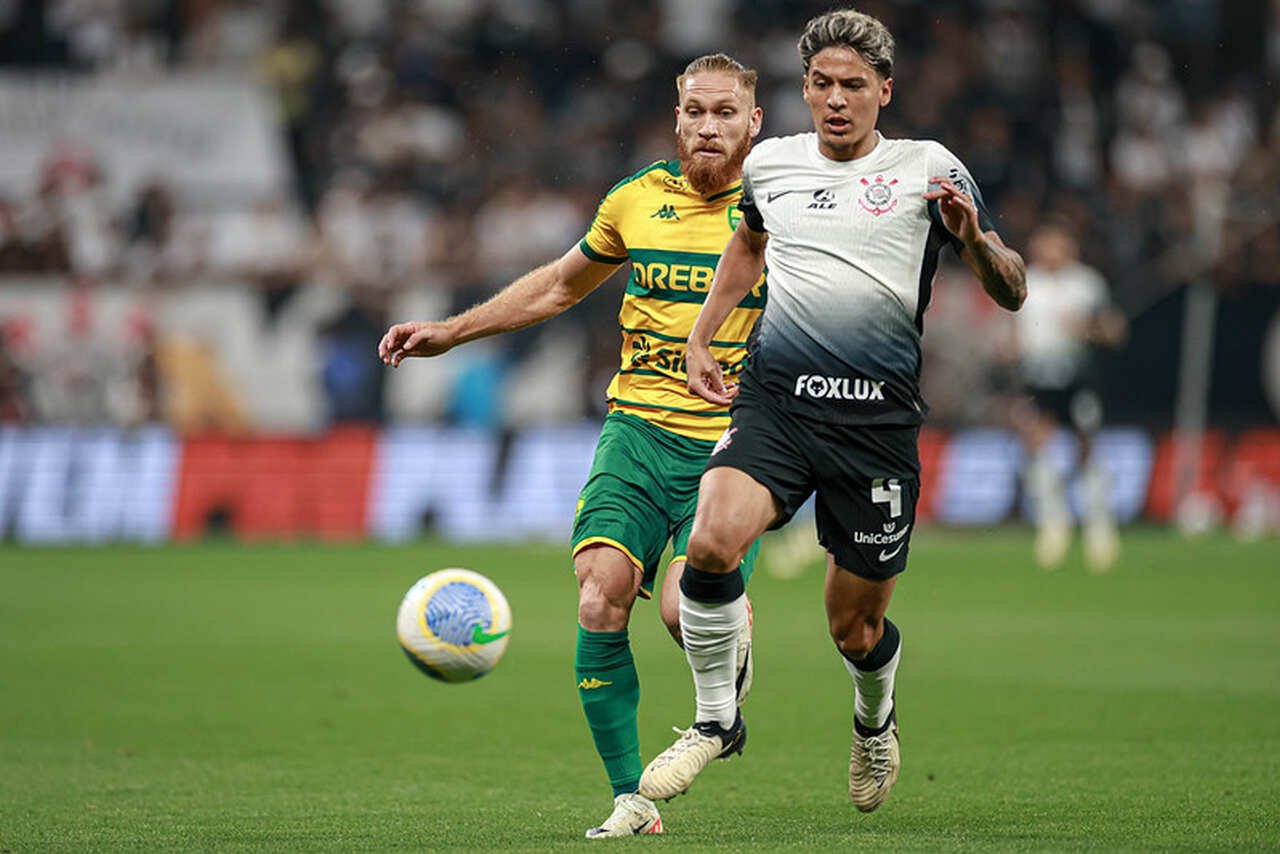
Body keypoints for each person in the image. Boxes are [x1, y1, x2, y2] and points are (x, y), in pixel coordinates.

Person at [637, 8, 1026, 814]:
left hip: (876, 428)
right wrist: (704, 334)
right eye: (822, 84)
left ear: (885, 90)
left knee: (853, 629)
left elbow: (1014, 290)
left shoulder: (929, 168)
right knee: (709, 541)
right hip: (779, 405)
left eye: (854, 86)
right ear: (804, 88)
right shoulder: (772, 164)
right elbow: (749, 241)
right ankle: (715, 720)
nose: (837, 100)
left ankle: (874, 718)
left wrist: (977, 240)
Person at [378, 54, 765, 838]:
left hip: (734, 442)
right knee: (598, 591)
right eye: (696, 111)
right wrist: (450, 333)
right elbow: (560, 284)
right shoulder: (634, 200)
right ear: (677, 118)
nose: (709, 126)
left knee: (683, 611)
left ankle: (722, 697)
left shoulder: (780, 209)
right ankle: (631, 797)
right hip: (635, 431)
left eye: (726, 112)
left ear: (754, 122)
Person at [1011, 222, 1127, 572]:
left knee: (1085, 447)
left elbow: (1115, 331)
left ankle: (1098, 525)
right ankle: (1053, 523)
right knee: (1036, 444)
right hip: (1039, 378)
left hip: (1079, 378)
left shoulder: (1087, 284)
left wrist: (1087, 328)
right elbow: (1015, 331)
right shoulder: (1026, 280)